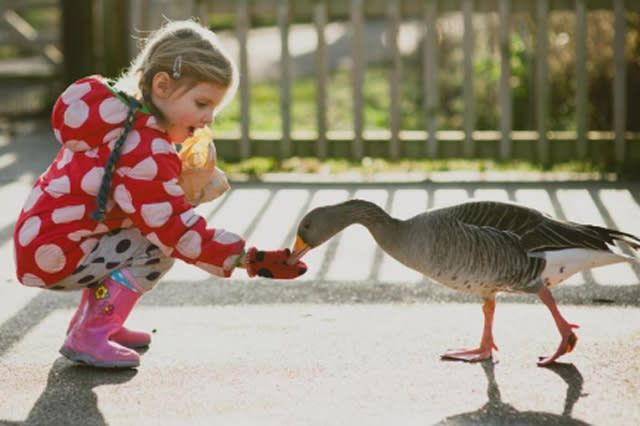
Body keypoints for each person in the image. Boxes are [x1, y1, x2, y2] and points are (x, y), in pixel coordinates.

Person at [12, 19, 306, 368]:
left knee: (143, 236)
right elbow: (174, 229)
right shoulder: (144, 147)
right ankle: (91, 332)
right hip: (57, 254)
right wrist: (246, 258)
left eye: (214, 108)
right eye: (201, 103)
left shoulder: (119, 121)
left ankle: (98, 321)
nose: (209, 118)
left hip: (46, 242)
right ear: (162, 86)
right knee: (157, 247)